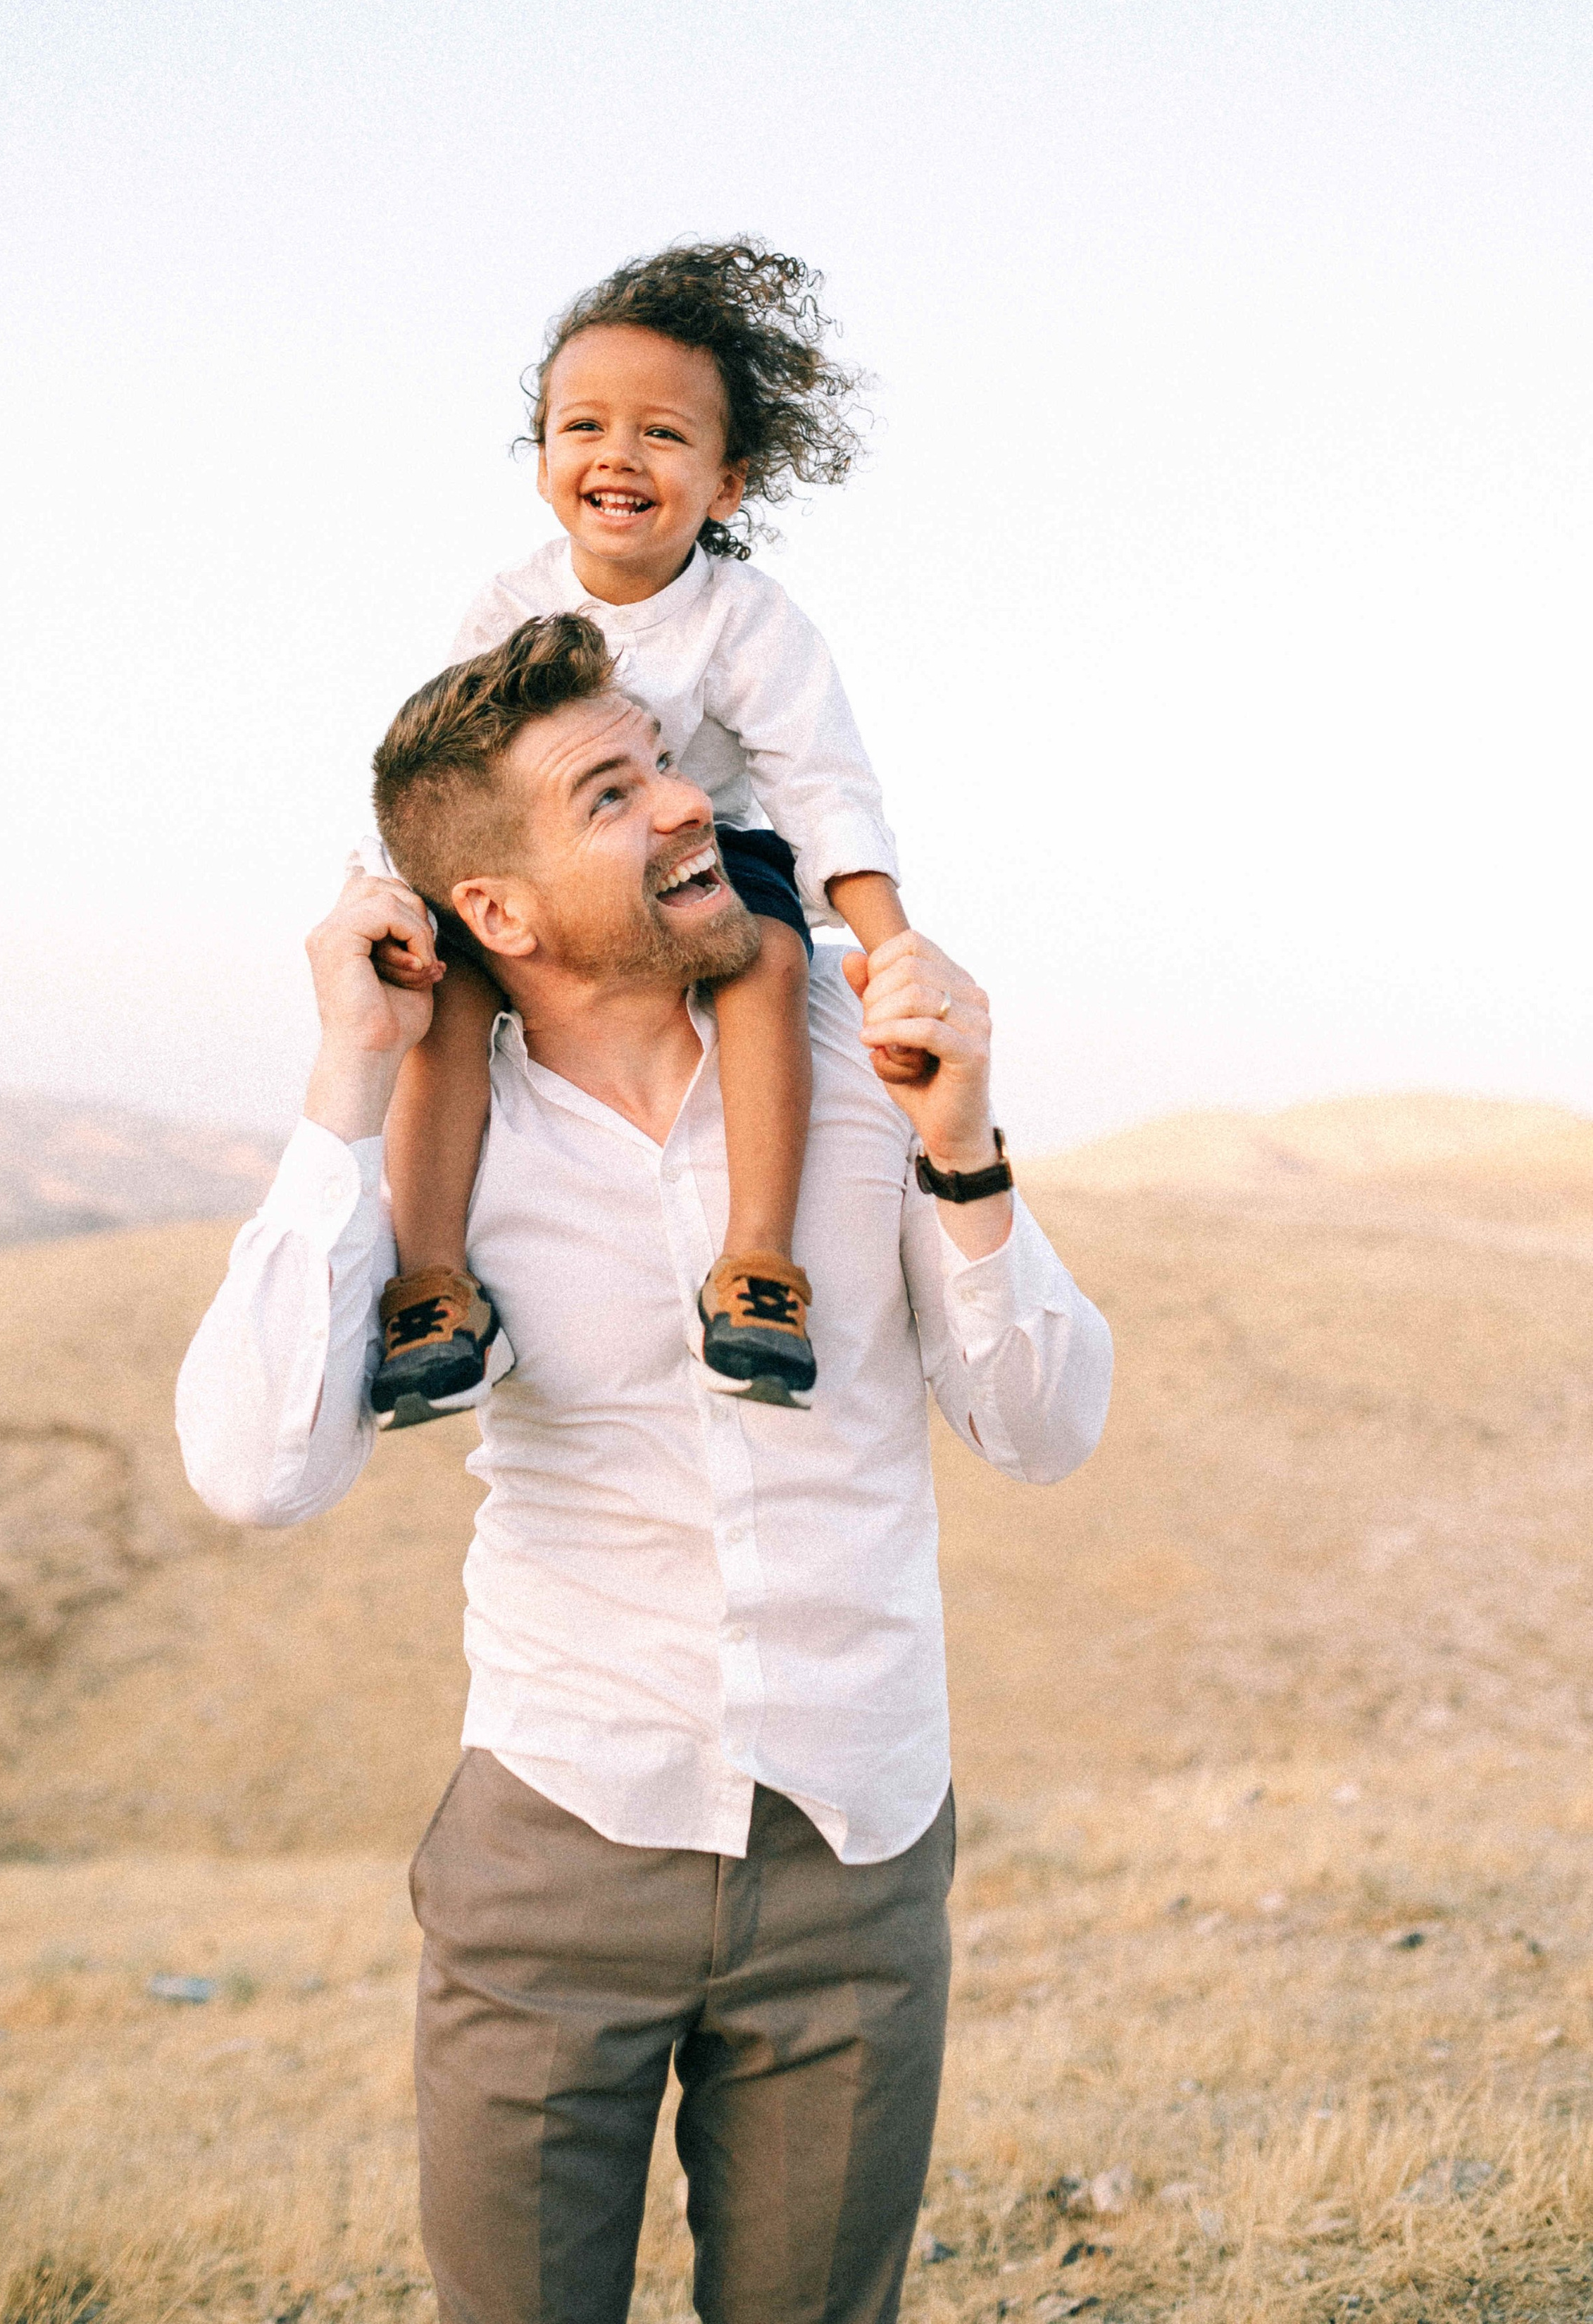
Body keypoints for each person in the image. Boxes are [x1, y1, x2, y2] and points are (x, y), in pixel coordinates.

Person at [175, 611, 1112, 2324]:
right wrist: (345, 1075)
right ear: (499, 913)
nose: (690, 803)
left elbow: (1041, 1434)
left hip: (855, 1847)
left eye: (663, 763)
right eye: (612, 793)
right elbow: (254, 1472)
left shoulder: (854, 1060)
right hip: (557, 1851)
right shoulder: (431, 1133)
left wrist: (966, 1150)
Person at [368, 240, 917, 1421]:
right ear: (542, 464)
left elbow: (822, 784)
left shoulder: (749, 620)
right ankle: (432, 1286)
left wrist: (896, 949)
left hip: (705, 852)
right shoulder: (508, 605)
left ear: (726, 484)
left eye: (663, 434)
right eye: (584, 427)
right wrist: (387, 902)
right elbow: (446, 772)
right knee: (446, 1001)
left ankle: (757, 1264)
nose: (618, 454)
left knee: (772, 965)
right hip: (546, 863)